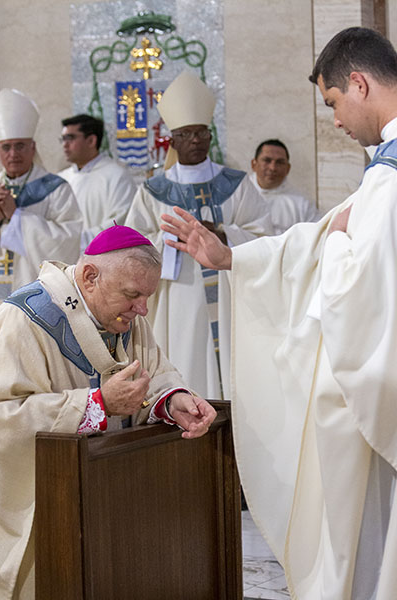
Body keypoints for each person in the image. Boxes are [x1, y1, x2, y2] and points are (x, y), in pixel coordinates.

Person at [160, 27, 397, 600]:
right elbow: (319, 236)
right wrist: (229, 257)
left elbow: (354, 281)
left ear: (359, 84)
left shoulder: (389, 179)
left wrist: (334, 249)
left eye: (334, 103)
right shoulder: (383, 168)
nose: (335, 120)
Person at [0, 223, 216, 599]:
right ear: (89, 277)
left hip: (113, 498)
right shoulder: (22, 320)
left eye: (148, 296)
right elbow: (5, 416)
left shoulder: (126, 318)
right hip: (49, 505)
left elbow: (156, 372)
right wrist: (95, 405)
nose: (143, 309)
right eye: (133, 295)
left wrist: (173, 398)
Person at [126, 70, 273, 400]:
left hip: (231, 293)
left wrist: (220, 232)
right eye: (187, 133)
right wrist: (174, 241)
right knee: (185, 360)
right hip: (179, 293)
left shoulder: (235, 182)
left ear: (211, 137)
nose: (195, 140)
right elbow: (132, 245)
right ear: (173, 140)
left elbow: (264, 234)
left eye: (202, 132)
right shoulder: (153, 190)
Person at [0, 89, 82, 304]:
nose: (13, 154)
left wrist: (16, 216)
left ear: (33, 148)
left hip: (37, 297)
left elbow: (67, 243)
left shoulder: (56, 189)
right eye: (6, 147)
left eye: (20, 146)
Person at [59, 113, 137, 251]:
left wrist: (77, 242)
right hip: (63, 258)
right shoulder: (60, 179)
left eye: (70, 138)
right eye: (63, 139)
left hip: (102, 260)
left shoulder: (117, 176)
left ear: (91, 141)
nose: (65, 144)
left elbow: (121, 223)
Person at [250, 138, 321, 234]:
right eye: (267, 160)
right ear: (254, 164)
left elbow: (316, 235)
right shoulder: (237, 196)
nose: (273, 168)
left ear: (288, 168)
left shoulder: (302, 204)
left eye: (279, 162)